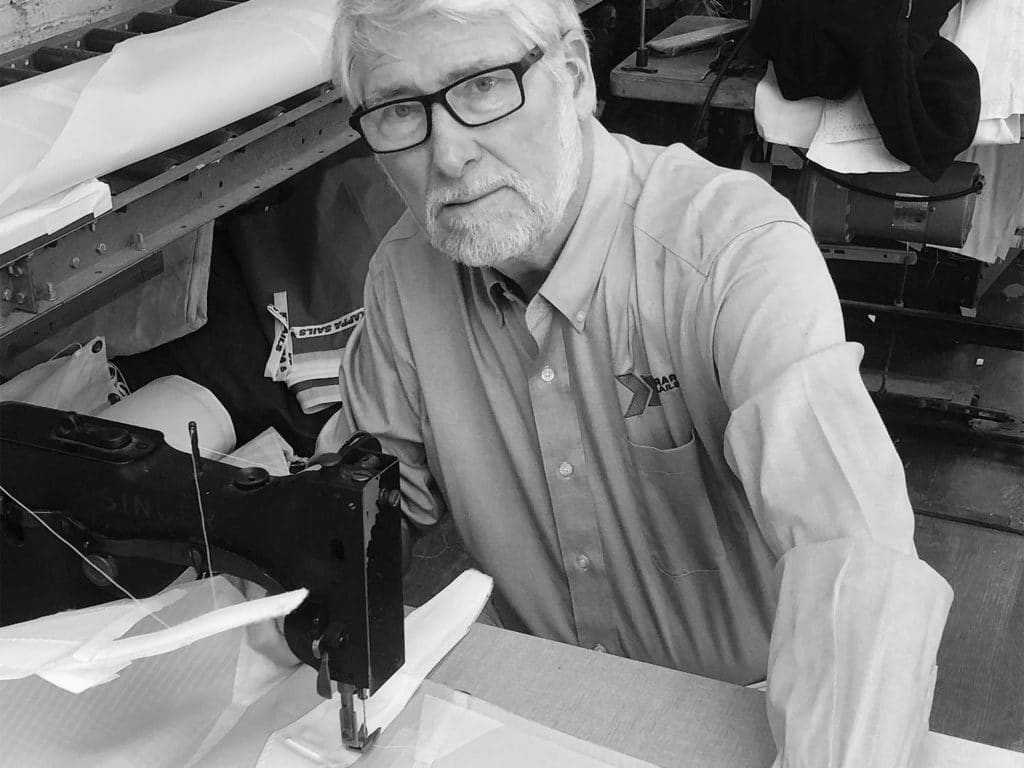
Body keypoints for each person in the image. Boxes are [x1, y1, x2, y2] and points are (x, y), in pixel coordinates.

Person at [320, 1, 954, 765]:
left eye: (484, 86)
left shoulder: (732, 249)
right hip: (533, 706)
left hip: (744, 719)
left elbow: (857, 557)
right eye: (397, 112)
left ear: (576, 77)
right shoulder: (401, 276)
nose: (448, 155)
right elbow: (361, 507)